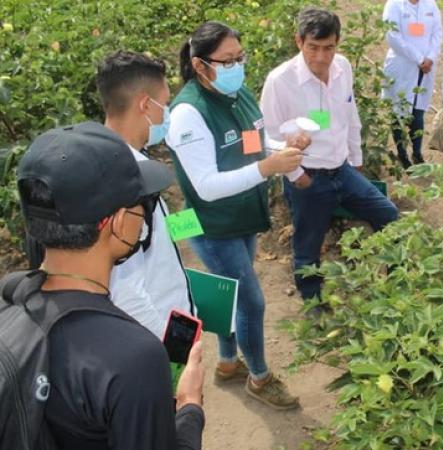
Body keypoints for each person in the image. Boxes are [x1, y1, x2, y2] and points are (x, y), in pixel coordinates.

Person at [17, 122, 205, 449]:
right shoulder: (134, 358)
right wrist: (189, 407)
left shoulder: (10, 305)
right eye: (142, 206)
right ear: (118, 222)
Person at [166, 21, 303, 409]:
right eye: (227, 61)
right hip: (211, 223)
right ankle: (259, 377)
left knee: (228, 290)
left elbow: (252, 141)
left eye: (240, 58)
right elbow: (206, 186)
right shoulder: (188, 114)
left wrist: (282, 145)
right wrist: (267, 168)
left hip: (242, 213)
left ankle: (227, 362)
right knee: (251, 301)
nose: (237, 67)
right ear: (199, 65)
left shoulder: (236, 93)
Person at [260, 8, 399, 307]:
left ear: (337, 43)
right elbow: (267, 137)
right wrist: (297, 176)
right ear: (299, 41)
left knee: (389, 216)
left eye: (329, 48)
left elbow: (350, 115)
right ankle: (313, 304)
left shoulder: (343, 68)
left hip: (343, 170)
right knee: (308, 247)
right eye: (313, 47)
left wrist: (356, 160)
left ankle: (398, 285)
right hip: (307, 175)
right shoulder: (280, 81)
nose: (322, 57)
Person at [93, 50, 194, 338]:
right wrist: (170, 347)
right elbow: (126, 293)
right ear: (145, 105)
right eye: (165, 103)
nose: (167, 113)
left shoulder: (109, 160)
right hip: (154, 333)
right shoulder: (127, 182)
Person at [381, 0, 443, 168]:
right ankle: (402, 154)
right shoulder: (394, 5)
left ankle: (417, 153)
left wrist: (430, 57)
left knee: (418, 110)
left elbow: (437, 33)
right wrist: (419, 58)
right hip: (402, 66)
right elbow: (393, 36)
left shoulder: (430, 4)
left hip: (426, 67)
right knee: (399, 111)